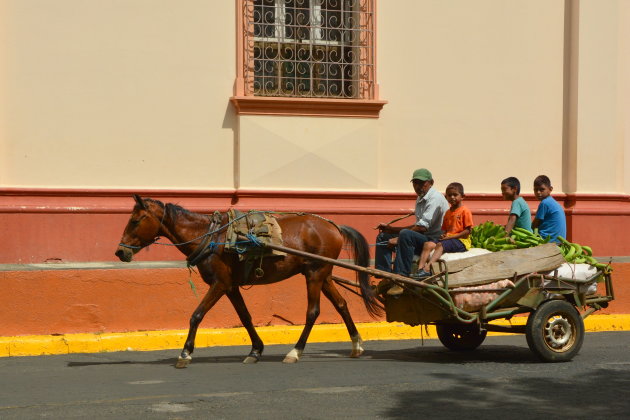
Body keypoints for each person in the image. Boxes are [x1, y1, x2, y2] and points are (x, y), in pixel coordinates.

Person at [374, 168, 449, 295]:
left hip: (433, 241)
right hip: (422, 235)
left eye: (422, 183)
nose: (418, 186)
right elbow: (417, 226)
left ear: (431, 182)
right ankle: (386, 276)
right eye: (415, 183)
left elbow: (422, 227)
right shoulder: (421, 198)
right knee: (383, 236)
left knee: (405, 235)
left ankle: (401, 278)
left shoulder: (435, 198)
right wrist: (391, 229)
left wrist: (398, 238)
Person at [415, 182, 474, 278]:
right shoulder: (447, 213)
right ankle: (420, 269)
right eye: (449, 195)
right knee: (428, 244)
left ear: (463, 197)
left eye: (455, 195)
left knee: (440, 245)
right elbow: (446, 231)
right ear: (446, 198)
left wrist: (451, 237)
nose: (452, 197)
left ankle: (428, 269)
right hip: (449, 238)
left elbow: (467, 232)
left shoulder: (465, 211)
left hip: (461, 241)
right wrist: (444, 235)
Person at [532, 175, 566, 243]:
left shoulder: (545, 203)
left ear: (550, 189)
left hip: (548, 241)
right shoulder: (553, 202)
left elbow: (535, 224)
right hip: (559, 241)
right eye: (536, 190)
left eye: (542, 189)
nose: (538, 192)